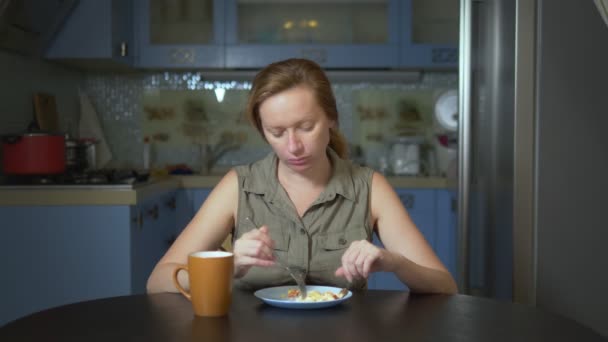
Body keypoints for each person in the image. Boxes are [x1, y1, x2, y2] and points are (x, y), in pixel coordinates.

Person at [146, 58, 457, 294]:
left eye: (306, 127)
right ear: (262, 130)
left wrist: (393, 262)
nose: (293, 146)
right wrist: (227, 266)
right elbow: (159, 282)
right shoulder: (238, 186)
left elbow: (444, 286)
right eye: (277, 132)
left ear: (332, 119)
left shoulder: (369, 187)